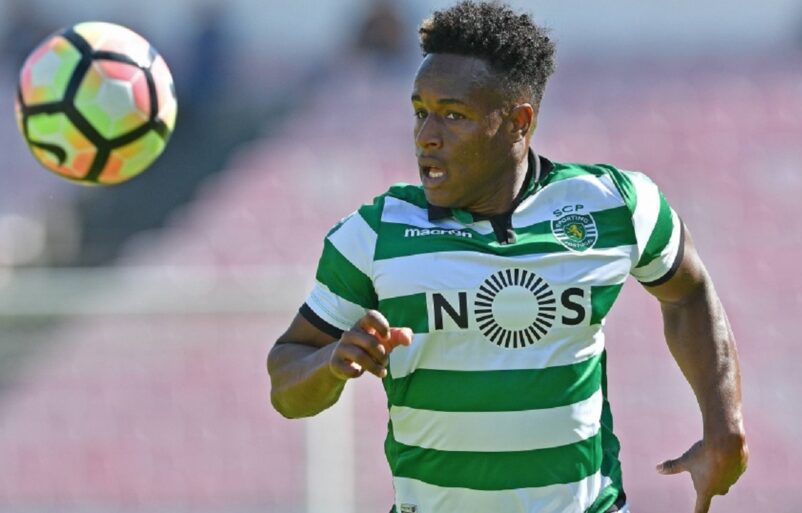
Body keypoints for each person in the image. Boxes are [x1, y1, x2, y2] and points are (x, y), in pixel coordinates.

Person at [267, 2, 748, 512]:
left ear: (519, 122)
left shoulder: (614, 205)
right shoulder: (374, 234)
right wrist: (330, 365)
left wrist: (725, 424)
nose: (427, 136)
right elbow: (286, 381)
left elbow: (689, 292)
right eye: (420, 111)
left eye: (454, 115)